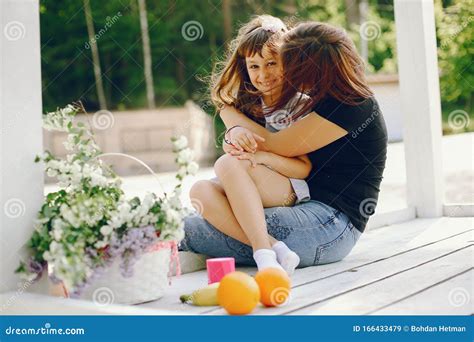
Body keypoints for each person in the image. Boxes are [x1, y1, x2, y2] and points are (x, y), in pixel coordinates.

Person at [179, 20, 387, 273]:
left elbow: (277, 145)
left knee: (184, 228)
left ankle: (262, 249)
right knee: (204, 193)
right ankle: (270, 249)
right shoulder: (324, 97)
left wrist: (228, 113)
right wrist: (235, 134)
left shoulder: (350, 104)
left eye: (291, 64)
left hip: (330, 225)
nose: (286, 73)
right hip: (308, 211)